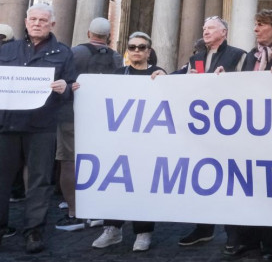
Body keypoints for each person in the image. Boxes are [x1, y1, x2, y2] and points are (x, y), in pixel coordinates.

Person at [0, 4, 76, 254]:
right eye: (33, 19)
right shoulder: (7, 49)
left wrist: (65, 88)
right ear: (25, 21)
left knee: (39, 181)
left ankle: (34, 230)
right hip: (6, 125)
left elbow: (71, 87)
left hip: (42, 126)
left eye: (43, 20)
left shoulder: (64, 53)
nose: (37, 23)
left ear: (52, 24)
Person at [228, 10, 272, 261]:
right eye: (255, 25)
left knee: (269, 188)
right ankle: (247, 240)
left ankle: (269, 245)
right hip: (249, 129)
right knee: (247, 187)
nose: (255, 29)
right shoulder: (250, 56)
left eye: (261, 25)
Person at [176, 16, 247, 249]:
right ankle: (203, 229)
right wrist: (160, 76)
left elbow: (249, 85)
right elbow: (181, 77)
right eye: (204, 28)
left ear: (224, 32)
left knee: (230, 183)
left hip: (229, 129)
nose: (205, 32)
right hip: (202, 130)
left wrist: (228, 82)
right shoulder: (196, 57)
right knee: (202, 179)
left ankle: (233, 235)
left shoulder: (238, 54)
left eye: (210, 28)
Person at [90, 31, 164, 252]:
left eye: (141, 47)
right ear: (128, 51)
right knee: (115, 184)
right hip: (120, 141)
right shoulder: (118, 74)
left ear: (149, 51)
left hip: (147, 142)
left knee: (143, 186)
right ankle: (112, 229)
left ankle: (143, 232)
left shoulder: (159, 75)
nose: (137, 51)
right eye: (132, 47)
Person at [55, 17, 122, 232]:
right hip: (104, 117)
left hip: (71, 115)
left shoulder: (74, 52)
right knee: (101, 161)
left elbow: (60, 81)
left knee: (68, 162)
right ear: (108, 36)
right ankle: (99, 209)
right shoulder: (116, 56)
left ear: (88, 33)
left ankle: (74, 211)